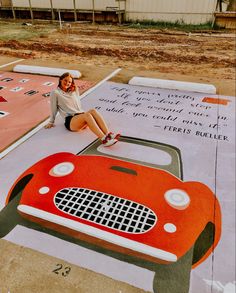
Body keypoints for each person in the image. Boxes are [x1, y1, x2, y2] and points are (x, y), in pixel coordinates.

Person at [45, 72, 120, 146]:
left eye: (70, 82)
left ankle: (108, 134)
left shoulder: (74, 90)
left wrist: (85, 117)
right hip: (70, 120)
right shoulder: (55, 93)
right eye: (65, 80)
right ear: (60, 80)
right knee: (86, 115)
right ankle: (104, 140)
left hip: (80, 117)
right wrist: (51, 122)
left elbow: (78, 105)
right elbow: (53, 107)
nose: (67, 83)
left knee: (93, 110)